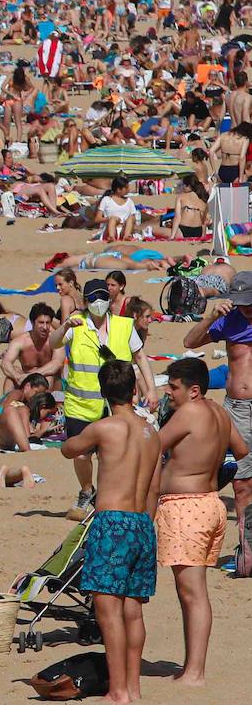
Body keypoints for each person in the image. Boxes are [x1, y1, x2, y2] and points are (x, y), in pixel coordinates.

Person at [60, 360, 161, 704]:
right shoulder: (152, 435)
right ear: (134, 390)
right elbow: (153, 490)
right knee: (133, 610)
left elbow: (68, 448)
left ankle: (117, 691)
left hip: (113, 522)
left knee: (108, 611)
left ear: (104, 392)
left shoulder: (104, 428)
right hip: (142, 524)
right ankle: (132, 687)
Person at [155, 358, 249, 685]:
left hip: (187, 507)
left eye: (174, 387)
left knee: (192, 593)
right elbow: (240, 450)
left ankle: (195, 672)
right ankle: (190, 666)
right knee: (192, 592)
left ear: (194, 390)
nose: (168, 392)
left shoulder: (190, 412)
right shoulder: (219, 413)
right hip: (210, 506)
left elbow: (151, 445)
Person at [50, 278, 157, 519]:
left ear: (110, 300)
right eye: (93, 299)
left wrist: (151, 389)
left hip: (118, 403)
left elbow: (140, 357)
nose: (98, 303)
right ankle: (87, 490)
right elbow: (53, 342)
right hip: (81, 403)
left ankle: (112, 498)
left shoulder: (124, 325)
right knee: (81, 454)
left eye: (103, 297)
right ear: (86, 302)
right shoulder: (76, 325)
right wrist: (65, 325)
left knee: (115, 454)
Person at [183, 271, 252, 574]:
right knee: (242, 483)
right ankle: (247, 548)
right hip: (238, 409)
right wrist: (209, 317)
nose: (245, 308)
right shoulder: (229, 320)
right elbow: (190, 341)